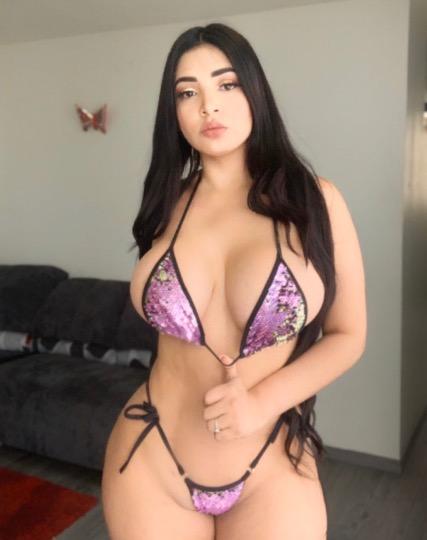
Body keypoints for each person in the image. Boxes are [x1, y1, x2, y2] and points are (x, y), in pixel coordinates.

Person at [101, 22, 366, 540]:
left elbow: (349, 335)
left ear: (254, 90)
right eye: (187, 92)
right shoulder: (164, 204)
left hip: (271, 463)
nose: (208, 106)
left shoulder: (316, 202)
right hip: (153, 455)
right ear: (173, 111)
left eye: (226, 84)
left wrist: (264, 401)